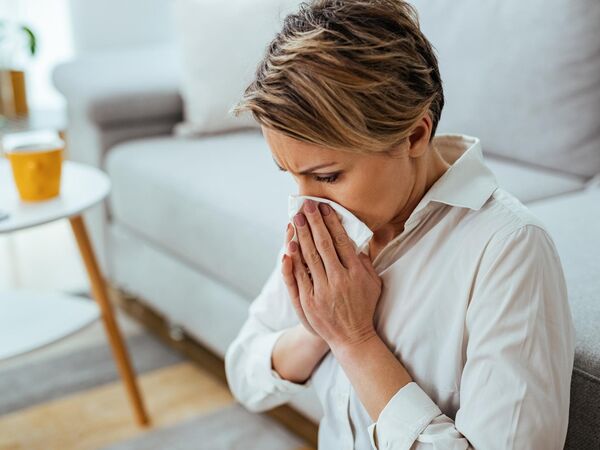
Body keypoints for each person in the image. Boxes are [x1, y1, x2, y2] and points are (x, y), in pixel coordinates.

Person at [224, 1, 576, 449]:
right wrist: (318, 329)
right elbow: (245, 375)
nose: (303, 203)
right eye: (291, 174)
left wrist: (355, 340)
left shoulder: (507, 250)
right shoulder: (329, 222)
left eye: (328, 175)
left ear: (414, 135)